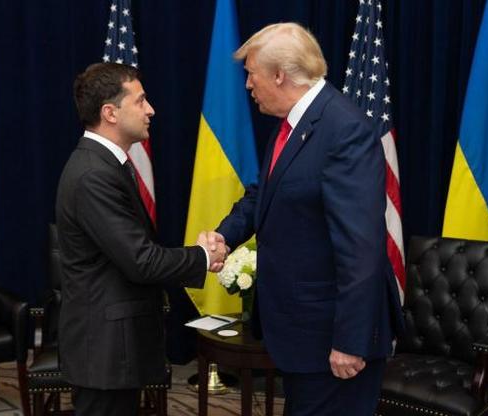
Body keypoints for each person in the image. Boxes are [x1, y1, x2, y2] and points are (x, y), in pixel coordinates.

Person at [208, 23, 404, 415]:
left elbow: (361, 248)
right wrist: (224, 236)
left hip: (332, 336)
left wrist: (350, 341)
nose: (248, 84)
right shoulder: (294, 124)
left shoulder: (343, 130)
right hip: (302, 334)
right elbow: (264, 192)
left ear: (279, 75)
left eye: (251, 73)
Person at [55, 62, 227, 416]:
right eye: (140, 101)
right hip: (103, 351)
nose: (151, 110)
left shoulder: (106, 165)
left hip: (114, 347)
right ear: (110, 113)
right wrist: (203, 257)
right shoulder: (93, 175)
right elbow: (142, 261)